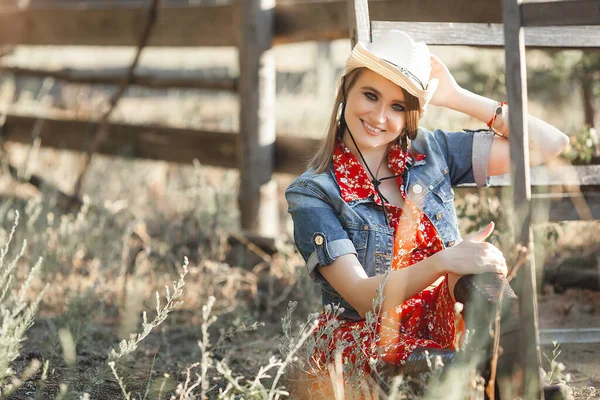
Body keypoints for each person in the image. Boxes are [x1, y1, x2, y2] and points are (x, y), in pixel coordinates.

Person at [285, 31, 569, 397]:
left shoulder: (431, 153)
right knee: (459, 370)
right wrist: (444, 260)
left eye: (398, 106)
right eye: (370, 95)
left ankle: (514, 381)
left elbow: (549, 143)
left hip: (446, 322)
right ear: (345, 91)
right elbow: (360, 296)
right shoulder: (313, 192)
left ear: (411, 115)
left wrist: (457, 97)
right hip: (373, 346)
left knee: (479, 271)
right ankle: (510, 382)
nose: (379, 116)